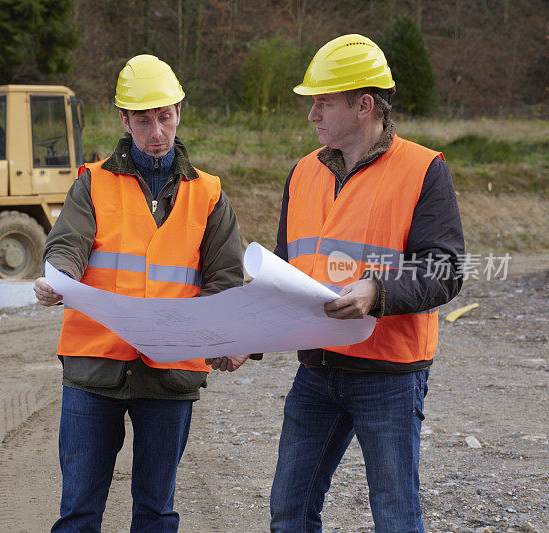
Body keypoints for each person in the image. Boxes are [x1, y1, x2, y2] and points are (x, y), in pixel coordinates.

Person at [33, 54, 254, 532]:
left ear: (179, 111)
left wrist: (224, 341)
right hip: (95, 367)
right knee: (78, 512)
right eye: (143, 119)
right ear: (124, 120)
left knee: (156, 512)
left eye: (165, 116)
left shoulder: (210, 194)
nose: (156, 131)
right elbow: (67, 244)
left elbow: (225, 280)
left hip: (171, 373)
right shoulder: (92, 183)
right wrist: (58, 277)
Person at [270, 34, 464, 532]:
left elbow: (444, 270)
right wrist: (241, 341)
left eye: (323, 103)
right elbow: (281, 270)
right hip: (317, 369)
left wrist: (377, 292)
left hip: (390, 373)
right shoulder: (303, 173)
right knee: (289, 512)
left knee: (396, 517)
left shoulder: (423, 170)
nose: (312, 115)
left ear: (364, 105)